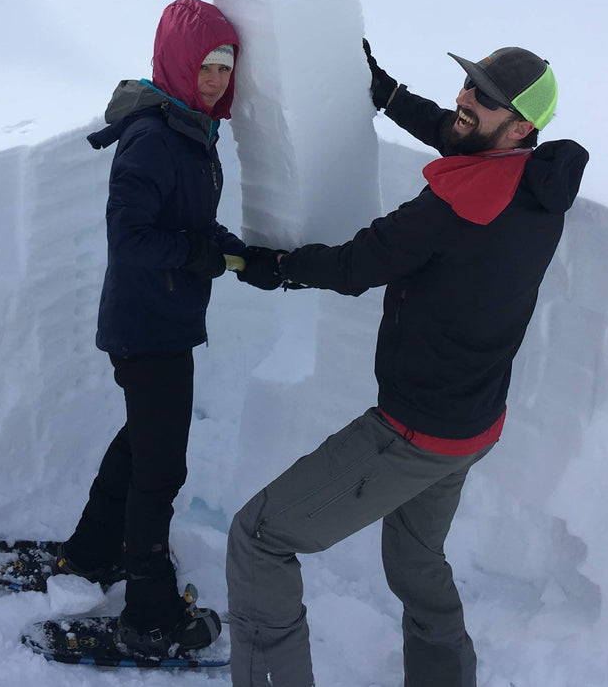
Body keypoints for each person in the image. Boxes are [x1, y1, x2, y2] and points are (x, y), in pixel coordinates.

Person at [227, 42, 589, 686]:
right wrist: (389, 95)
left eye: (483, 97)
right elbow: (462, 139)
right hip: (472, 425)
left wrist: (273, 267)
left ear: (521, 126)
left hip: (411, 433)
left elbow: (355, 265)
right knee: (415, 561)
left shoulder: (459, 209)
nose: (463, 100)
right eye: (468, 84)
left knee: (259, 538)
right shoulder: (535, 181)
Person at [57, 0, 277, 655]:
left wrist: (236, 253)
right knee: (161, 468)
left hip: (164, 321)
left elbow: (190, 226)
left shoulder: (190, 128)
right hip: (145, 327)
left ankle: (93, 552)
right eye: (204, 66)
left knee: (140, 446)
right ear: (179, 64)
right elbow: (130, 238)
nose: (214, 79)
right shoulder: (155, 136)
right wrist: (198, 254)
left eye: (224, 68)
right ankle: (149, 613)